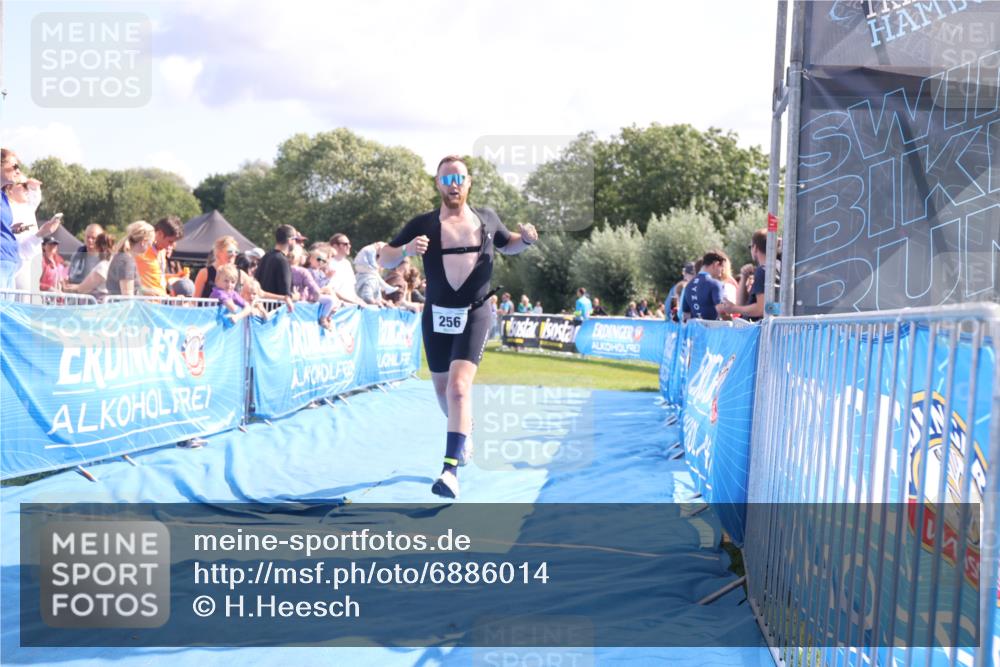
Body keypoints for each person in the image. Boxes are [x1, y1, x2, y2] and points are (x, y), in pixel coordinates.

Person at [377, 154, 538, 499]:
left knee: (459, 388)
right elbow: (384, 257)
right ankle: (465, 429)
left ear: (469, 183)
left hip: (475, 313)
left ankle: (449, 470)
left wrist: (525, 240)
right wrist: (406, 249)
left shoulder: (487, 218)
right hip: (436, 315)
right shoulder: (423, 223)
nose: (454, 185)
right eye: (447, 179)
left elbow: (508, 244)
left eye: (459, 178)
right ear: (438, 183)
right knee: (442, 390)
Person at [719, 230, 769, 322]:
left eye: (750, 247)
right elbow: (741, 304)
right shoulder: (774, 268)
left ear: (755, 248)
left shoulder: (762, 271)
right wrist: (744, 276)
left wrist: (734, 308)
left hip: (758, 328)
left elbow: (761, 309)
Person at [253, 224, 302, 310]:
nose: (296, 242)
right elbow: (286, 294)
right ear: (290, 240)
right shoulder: (282, 261)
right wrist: (296, 296)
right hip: (275, 312)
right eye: (295, 239)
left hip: (261, 309)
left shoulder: (266, 256)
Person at [135, 216, 184, 296]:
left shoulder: (162, 251)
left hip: (158, 301)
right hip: (144, 302)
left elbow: (159, 278)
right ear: (160, 233)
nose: (172, 245)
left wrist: (177, 277)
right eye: (170, 241)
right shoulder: (142, 251)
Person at [107, 221, 155, 296]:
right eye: (150, 243)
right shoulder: (126, 261)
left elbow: (133, 289)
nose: (150, 246)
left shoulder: (123, 257)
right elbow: (127, 296)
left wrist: (150, 292)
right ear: (144, 242)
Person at [63, 233, 116, 301]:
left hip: (99, 304)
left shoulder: (103, 266)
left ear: (97, 247)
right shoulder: (112, 263)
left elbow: (82, 289)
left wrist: (67, 287)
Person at [682, 250, 728, 321]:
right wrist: (731, 322)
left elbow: (686, 315)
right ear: (715, 264)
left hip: (695, 327)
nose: (721, 272)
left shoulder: (688, 286)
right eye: (722, 268)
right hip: (713, 327)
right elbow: (721, 310)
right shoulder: (715, 284)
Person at [325, 233, 366, 305]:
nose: (349, 246)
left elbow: (351, 289)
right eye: (345, 244)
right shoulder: (328, 264)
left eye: (349, 244)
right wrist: (353, 302)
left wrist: (359, 300)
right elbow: (331, 289)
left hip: (351, 306)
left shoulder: (347, 263)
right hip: (338, 306)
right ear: (335, 246)